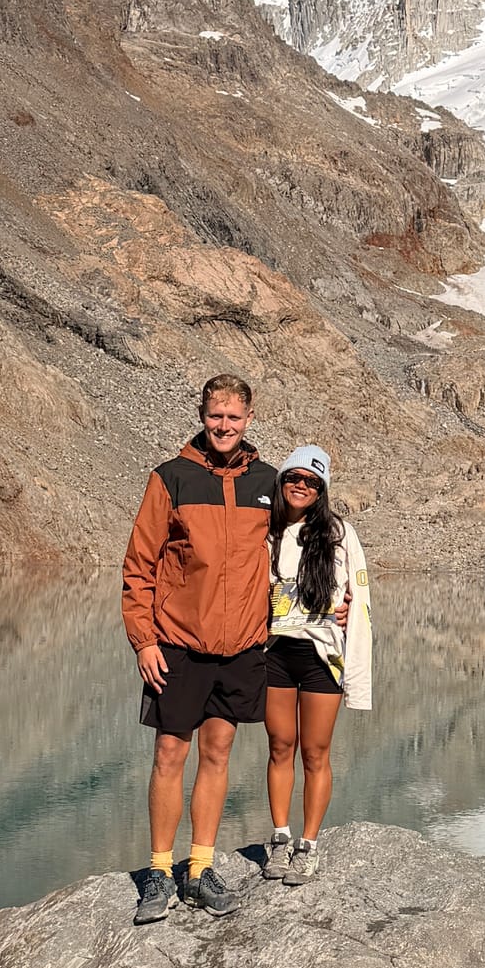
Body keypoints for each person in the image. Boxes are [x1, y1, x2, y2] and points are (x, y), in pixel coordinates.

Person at [122, 374, 278, 923]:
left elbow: (303, 549)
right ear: (202, 415)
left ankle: (200, 868)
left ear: (249, 419)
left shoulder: (268, 482)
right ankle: (159, 871)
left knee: (218, 754)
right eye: (216, 416)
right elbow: (139, 565)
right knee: (170, 754)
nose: (224, 426)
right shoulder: (171, 478)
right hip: (178, 645)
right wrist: (144, 641)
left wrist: (338, 602)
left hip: (241, 648)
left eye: (234, 417)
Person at [262, 445, 371, 884]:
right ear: (282, 481)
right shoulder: (266, 531)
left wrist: (357, 678)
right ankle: (279, 836)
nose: (301, 486)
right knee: (279, 745)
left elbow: (359, 602)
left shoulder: (341, 535)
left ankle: (308, 844)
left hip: (322, 657)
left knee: (315, 751)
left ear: (322, 489)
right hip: (274, 653)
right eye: (294, 477)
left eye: (311, 481)